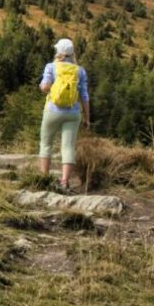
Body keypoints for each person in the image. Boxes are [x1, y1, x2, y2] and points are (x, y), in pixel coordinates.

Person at [38, 38, 90, 192]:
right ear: (71, 53)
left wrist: (50, 88)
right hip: (73, 113)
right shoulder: (79, 70)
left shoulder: (51, 66)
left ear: (58, 52)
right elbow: (84, 96)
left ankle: (44, 179)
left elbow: (44, 87)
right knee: (68, 147)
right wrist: (87, 118)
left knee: (46, 144)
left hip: (52, 111)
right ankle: (64, 182)